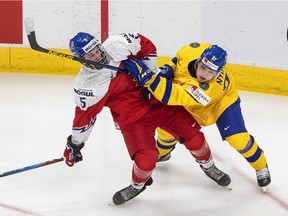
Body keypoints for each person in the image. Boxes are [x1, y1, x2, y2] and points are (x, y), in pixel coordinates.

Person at [63, 33, 231, 205]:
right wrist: (75, 144)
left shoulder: (118, 44)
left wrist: (150, 79)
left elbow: (146, 45)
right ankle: (137, 185)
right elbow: (85, 117)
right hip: (133, 119)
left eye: (96, 50)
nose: (97, 56)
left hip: (158, 102)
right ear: (81, 59)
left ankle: (209, 167)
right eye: (90, 55)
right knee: (146, 160)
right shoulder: (87, 85)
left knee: (195, 139)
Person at [123, 42, 271, 189]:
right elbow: (177, 61)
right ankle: (164, 152)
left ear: (218, 73)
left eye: (210, 72)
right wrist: (168, 69)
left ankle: (261, 166)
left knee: (237, 139)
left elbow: (172, 95)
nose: (204, 74)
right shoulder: (190, 50)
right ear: (199, 60)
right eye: (203, 67)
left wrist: (149, 79)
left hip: (221, 102)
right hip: (191, 99)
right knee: (166, 128)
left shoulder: (206, 88)